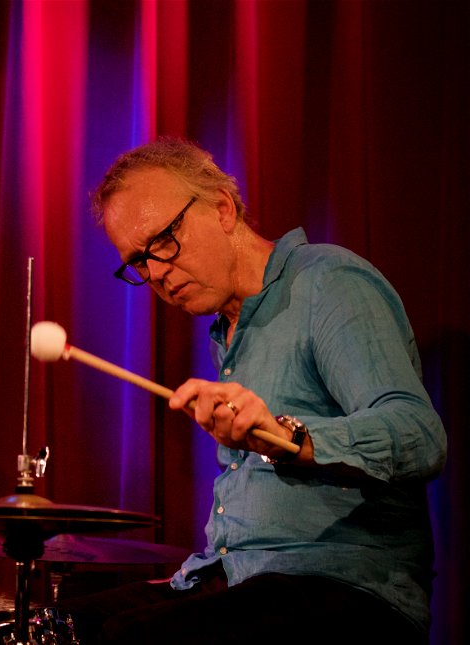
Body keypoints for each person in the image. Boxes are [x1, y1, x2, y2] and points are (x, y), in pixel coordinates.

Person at [60, 137, 447, 644]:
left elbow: (418, 434)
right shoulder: (228, 330)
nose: (155, 273)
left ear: (222, 208)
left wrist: (285, 434)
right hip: (243, 580)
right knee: (64, 628)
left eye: (162, 243)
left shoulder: (327, 283)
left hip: (346, 587)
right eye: (138, 262)